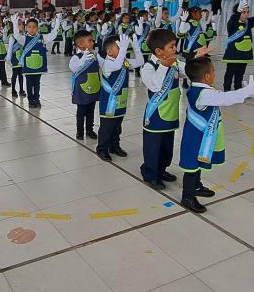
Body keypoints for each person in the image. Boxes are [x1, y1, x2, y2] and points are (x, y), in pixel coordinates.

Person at [179, 56, 254, 212]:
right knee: (192, 168)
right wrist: (247, 91)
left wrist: (246, 93)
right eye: (213, 71)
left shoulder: (200, 89)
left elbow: (222, 97)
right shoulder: (203, 94)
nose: (214, 73)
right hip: (195, 138)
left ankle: (196, 186)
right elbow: (226, 98)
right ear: (207, 76)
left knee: (197, 164)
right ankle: (187, 197)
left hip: (199, 136)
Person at [139, 28, 186, 190]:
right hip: (156, 115)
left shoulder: (174, 62)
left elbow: (188, 70)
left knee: (167, 145)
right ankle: (150, 173)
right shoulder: (148, 67)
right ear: (159, 51)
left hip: (171, 112)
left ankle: (161, 169)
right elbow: (156, 85)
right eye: (172, 47)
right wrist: (165, 66)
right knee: (153, 146)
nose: (175, 50)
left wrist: (197, 59)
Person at [94, 33, 145, 162]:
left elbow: (140, 62)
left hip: (120, 100)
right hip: (109, 102)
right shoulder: (108, 63)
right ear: (110, 51)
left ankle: (114, 146)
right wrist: (123, 49)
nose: (123, 49)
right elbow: (117, 66)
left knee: (117, 126)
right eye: (119, 47)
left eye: (123, 47)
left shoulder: (123, 61)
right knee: (107, 127)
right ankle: (102, 149)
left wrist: (136, 47)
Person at [9, 13, 63, 108]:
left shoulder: (42, 38)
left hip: (39, 65)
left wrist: (58, 22)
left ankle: (37, 99)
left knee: (37, 83)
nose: (32, 29)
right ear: (26, 28)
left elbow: (53, 34)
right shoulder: (24, 39)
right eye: (29, 27)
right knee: (29, 84)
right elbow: (16, 35)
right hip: (28, 67)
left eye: (34, 27)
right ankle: (31, 100)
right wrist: (14, 23)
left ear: (38, 28)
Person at [222, 1, 254, 91]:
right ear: (238, 12)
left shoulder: (248, 23)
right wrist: (238, 12)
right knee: (230, 72)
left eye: (248, 12)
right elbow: (234, 19)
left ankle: (238, 88)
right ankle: (227, 89)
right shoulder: (232, 23)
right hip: (233, 54)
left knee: (240, 73)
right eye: (243, 12)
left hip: (244, 53)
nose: (246, 14)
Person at [68, 30, 102, 141]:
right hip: (82, 89)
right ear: (81, 44)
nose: (93, 42)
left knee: (91, 111)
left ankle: (90, 130)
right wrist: (82, 60)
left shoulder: (94, 55)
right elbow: (73, 68)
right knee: (81, 111)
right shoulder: (76, 57)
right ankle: (80, 131)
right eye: (90, 41)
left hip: (93, 87)